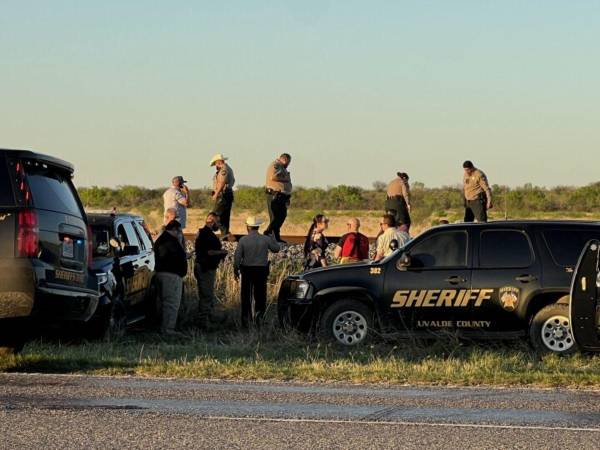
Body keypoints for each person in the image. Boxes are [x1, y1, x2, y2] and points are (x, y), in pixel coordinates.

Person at [233, 216, 281, 327]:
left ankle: (246, 321)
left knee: (246, 296)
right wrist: (273, 238)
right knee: (260, 296)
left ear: (248, 227)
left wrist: (236, 269)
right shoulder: (265, 239)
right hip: (261, 270)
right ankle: (260, 320)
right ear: (258, 226)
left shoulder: (243, 240)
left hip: (247, 270)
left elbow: (237, 257)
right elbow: (276, 249)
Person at [153, 220, 188, 337]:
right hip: (171, 276)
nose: (180, 233)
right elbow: (177, 256)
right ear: (175, 230)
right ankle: (168, 329)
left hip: (161, 274)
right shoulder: (171, 241)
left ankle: (163, 326)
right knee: (171, 303)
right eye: (179, 231)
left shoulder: (162, 239)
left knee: (163, 302)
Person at [194, 212, 228, 330]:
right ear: (212, 221)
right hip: (205, 268)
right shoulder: (206, 234)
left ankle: (208, 318)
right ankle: (203, 322)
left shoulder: (204, 233)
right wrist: (222, 252)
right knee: (206, 295)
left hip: (205, 267)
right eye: (217, 222)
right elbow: (208, 252)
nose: (218, 225)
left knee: (206, 294)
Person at [264, 153, 292, 243]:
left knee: (281, 216)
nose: (288, 164)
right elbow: (274, 176)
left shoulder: (281, 167)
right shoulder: (276, 165)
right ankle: (268, 233)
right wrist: (286, 179)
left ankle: (276, 237)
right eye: (288, 162)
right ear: (284, 159)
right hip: (275, 195)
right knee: (276, 217)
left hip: (282, 196)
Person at [210, 154, 235, 239]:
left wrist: (216, 194)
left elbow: (221, 182)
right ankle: (225, 234)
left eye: (215, 164)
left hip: (223, 195)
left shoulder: (223, 170)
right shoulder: (228, 169)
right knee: (225, 216)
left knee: (214, 214)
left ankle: (213, 230)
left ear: (219, 162)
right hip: (228, 194)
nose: (215, 166)